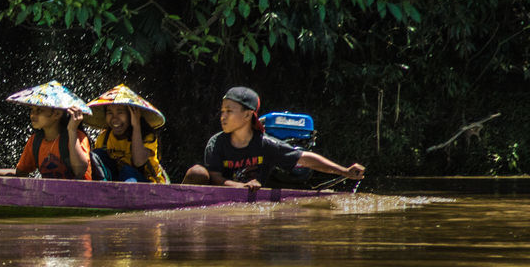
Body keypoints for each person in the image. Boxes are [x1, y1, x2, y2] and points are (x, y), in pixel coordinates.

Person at [183, 86, 366, 188]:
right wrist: (239, 186)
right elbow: (214, 177)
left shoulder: (265, 144)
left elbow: (305, 158)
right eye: (222, 111)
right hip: (221, 197)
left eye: (229, 111)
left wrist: (344, 171)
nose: (223, 116)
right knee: (197, 172)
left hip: (251, 204)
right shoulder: (216, 143)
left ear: (248, 115)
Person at [0, 80, 93, 180]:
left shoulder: (77, 136)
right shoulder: (36, 141)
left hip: (80, 199)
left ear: (56, 114)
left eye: (39, 110)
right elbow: (20, 173)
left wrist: (72, 130)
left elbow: (79, 171)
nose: (32, 115)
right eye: (32, 110)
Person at [84, 84, 169, 183]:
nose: (114, 118)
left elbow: (138, 162)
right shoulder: (104, 138)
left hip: (147, 183)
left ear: (131, 115)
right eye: (110, 113)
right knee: (97, 155)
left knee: (127, 170)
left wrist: (136, 125)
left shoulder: (147, 136)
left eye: (120, 112)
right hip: (118, 180)